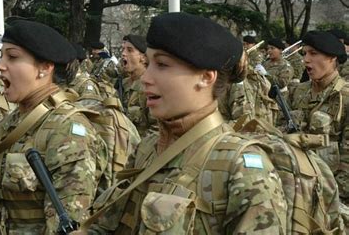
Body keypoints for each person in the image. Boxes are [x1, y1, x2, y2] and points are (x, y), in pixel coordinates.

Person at [81, 13, 287, 234]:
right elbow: (112, 225)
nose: (146, 77)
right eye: (148, 64)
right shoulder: (147, 148)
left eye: (162, 65)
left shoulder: (242, 167)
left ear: (206, 77)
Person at [0, 19, 107, 234]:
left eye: (12, 57)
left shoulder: (68, 130)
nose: (0, 65)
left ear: (45, 68)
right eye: (2, 56)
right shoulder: (13, 121)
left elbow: (65, 221)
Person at [289, 30, 349, 204]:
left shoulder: (344, 97)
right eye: (305, 53)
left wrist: (331, 198)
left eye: (313, 54)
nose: (306, 59)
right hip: (295, 186)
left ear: (332, 58)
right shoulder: (298, 91)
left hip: (331, 194)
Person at [120, 34, 158, 137]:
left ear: (144, 58)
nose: (123, 54)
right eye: (123, 49)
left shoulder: (150, 88)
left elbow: (157, 129)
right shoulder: (122, 84)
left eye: (130, 50)